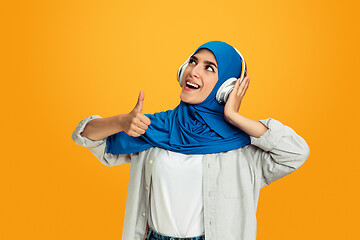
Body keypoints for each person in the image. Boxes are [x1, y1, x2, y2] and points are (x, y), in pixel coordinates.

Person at [72, 41, 310, 240]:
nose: (194, 71)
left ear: (226, 87)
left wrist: (234, 116)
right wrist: (121, 121)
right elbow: (86, 137)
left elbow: (295, 153)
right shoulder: (154, 128)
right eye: (193, 62)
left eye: (209, 68)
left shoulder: (245, 149)